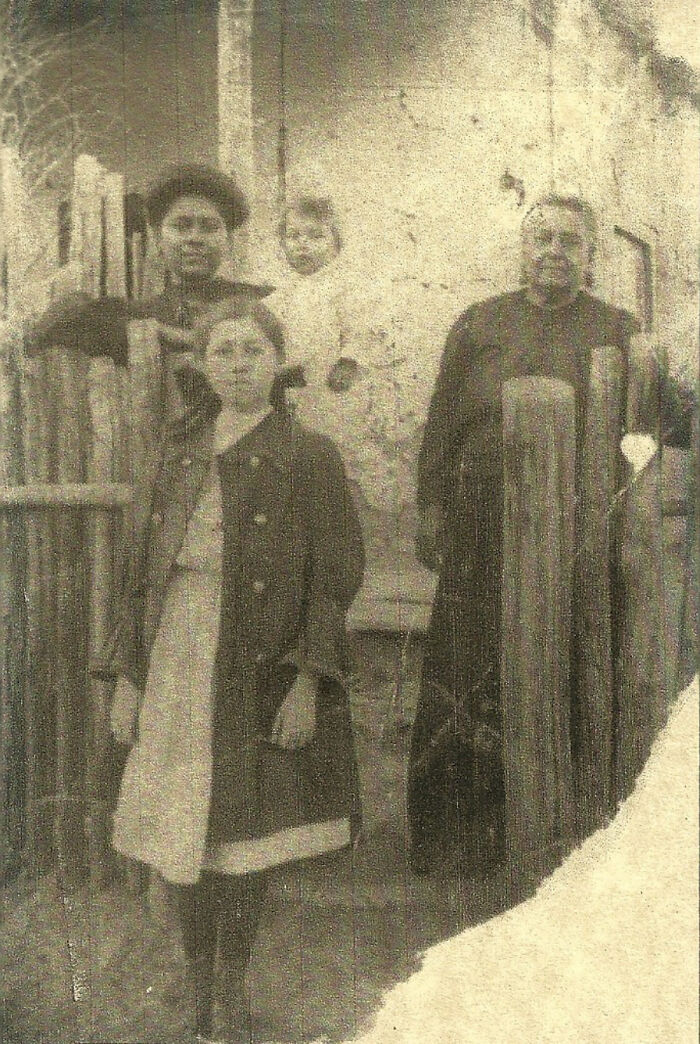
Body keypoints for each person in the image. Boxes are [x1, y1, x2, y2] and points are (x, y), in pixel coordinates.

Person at [97, 297, 364, 1043]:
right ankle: (196, 985)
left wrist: (307, 680)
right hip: (176, 651)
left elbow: (334, 576)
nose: (238, 365)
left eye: (253, 351)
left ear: (277, 363)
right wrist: (129, 676)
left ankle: (232, 986)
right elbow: (140, 572)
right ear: (203, 365)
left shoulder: (307, 453)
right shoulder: (178, 448)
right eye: (224, 351)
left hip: (259, 660)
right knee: (180, 822)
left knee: (243, 832)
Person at [407, 193, 693, 880]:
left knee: (559, 659)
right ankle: (455, 838)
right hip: (479, 524)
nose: (554, 251)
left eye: (570, 240)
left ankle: (558, 831)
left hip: (575, 529)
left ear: (591, 256)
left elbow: (655, 424)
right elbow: (443, 418)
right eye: (542, 237)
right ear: (523, 248)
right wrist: (432, 507)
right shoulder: (479, 322)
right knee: (466, 660)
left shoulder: (617, 328)